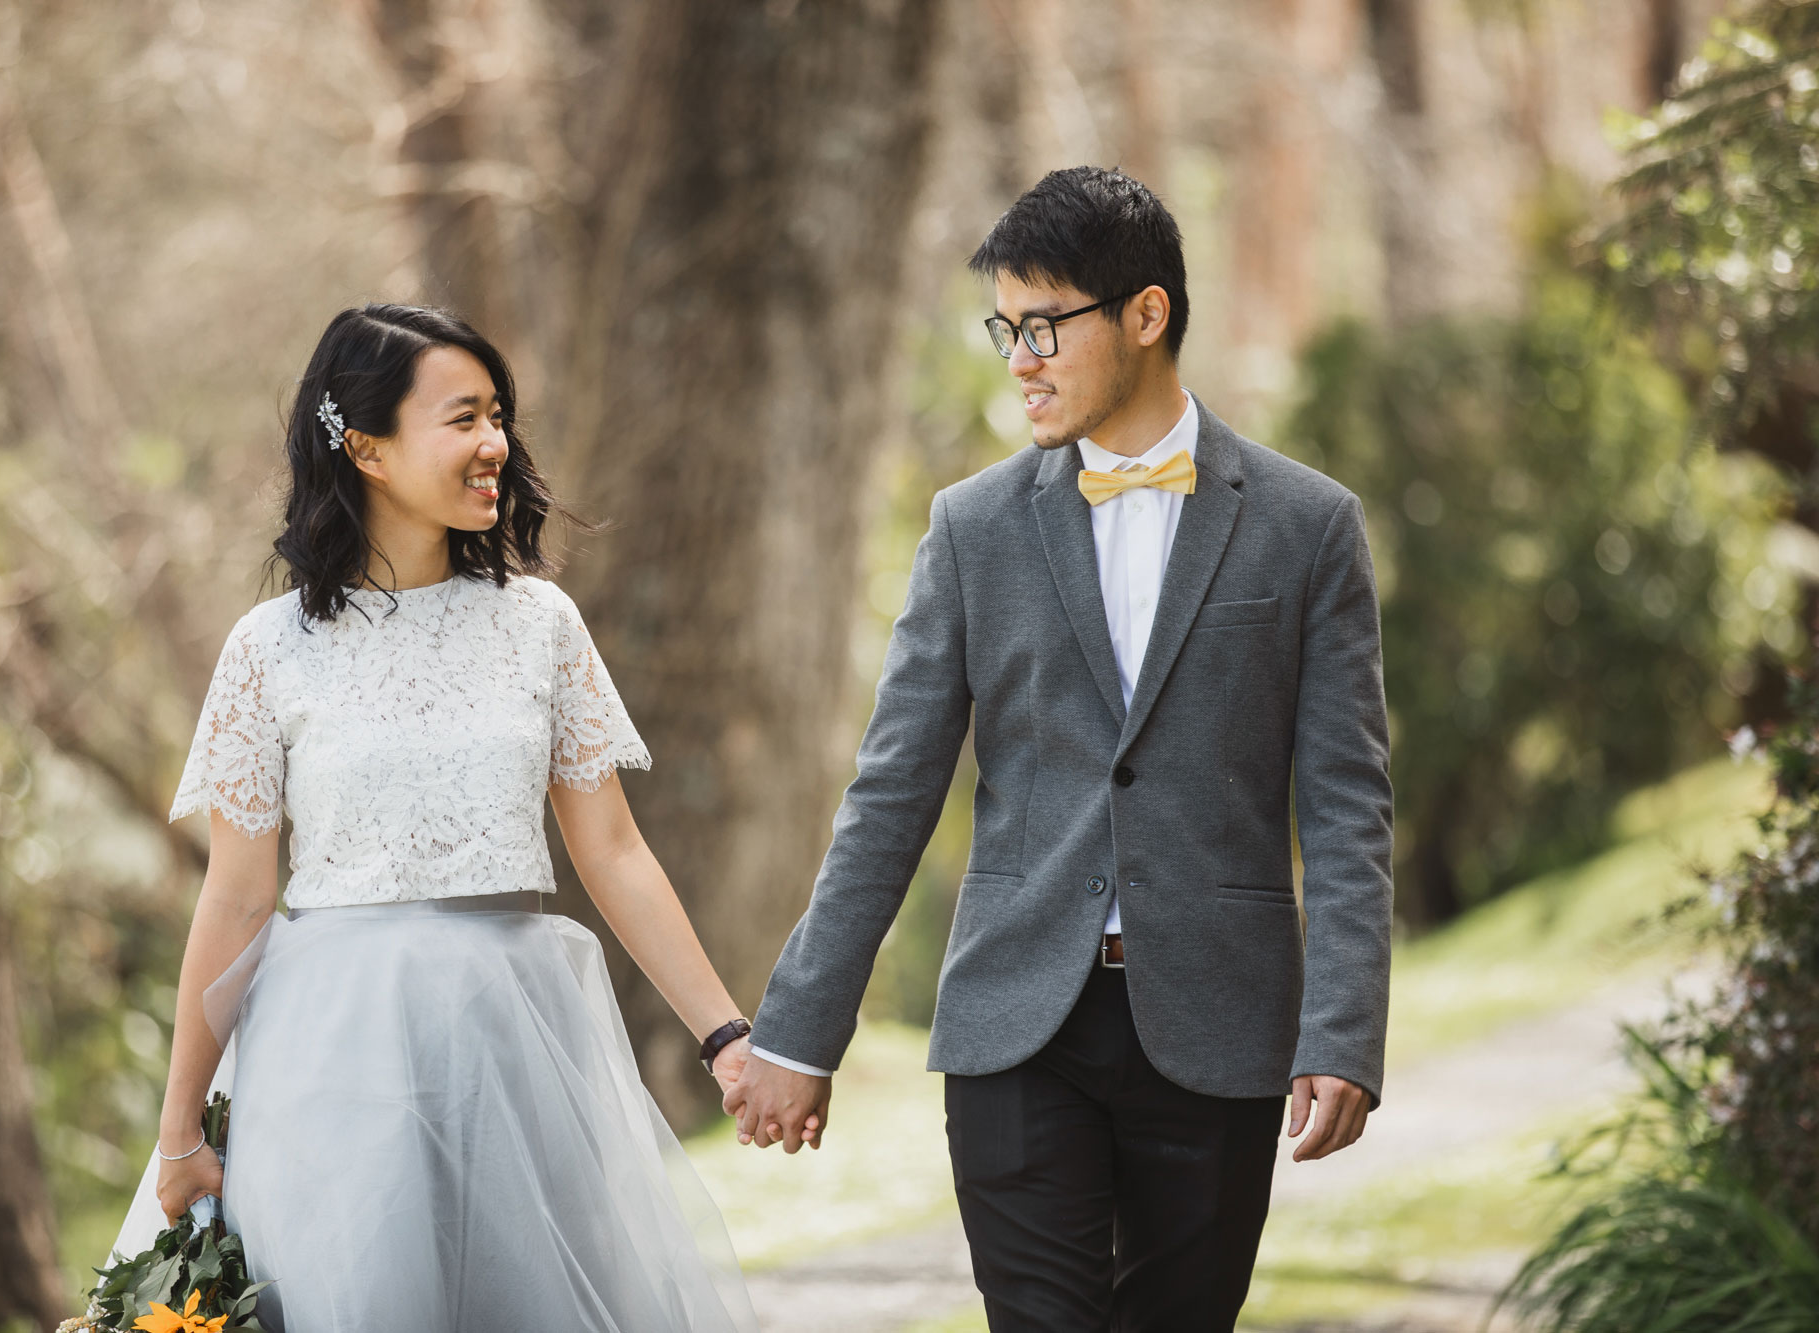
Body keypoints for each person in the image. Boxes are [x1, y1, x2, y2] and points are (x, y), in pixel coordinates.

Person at [725, 166, 1395, 1331]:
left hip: (1219, 1022)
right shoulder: (969, 528)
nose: (1019, 358)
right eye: (1006, 329)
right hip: (1014, 1021)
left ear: (1144, 315)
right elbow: (891, 792)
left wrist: (1341, 1027)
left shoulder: (1306, 525)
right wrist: (798, 1026)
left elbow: (1345, 803)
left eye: (1044, 326)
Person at [108, 303, 759, 1332]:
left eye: (497, 414)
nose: (494, 442)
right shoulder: (269, 648)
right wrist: (180, 1128)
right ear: (364, 445)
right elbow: (234, 897)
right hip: (333, 1053)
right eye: (462, 417)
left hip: (516, 1040)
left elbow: (613, 849)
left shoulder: (539, 622)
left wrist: (726, 1034)